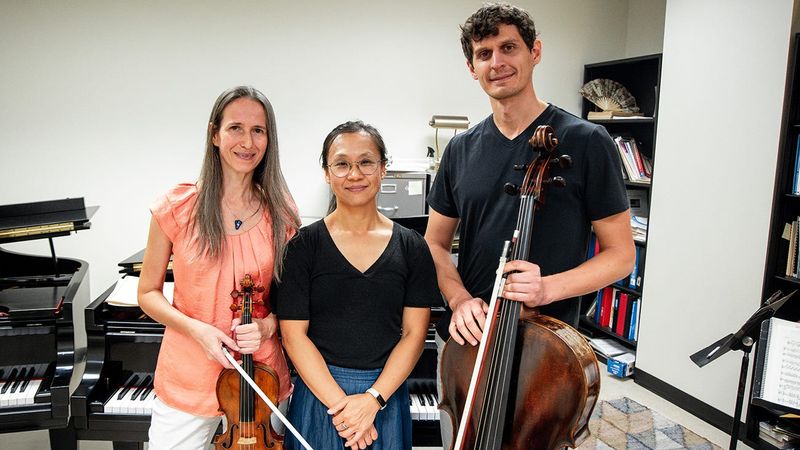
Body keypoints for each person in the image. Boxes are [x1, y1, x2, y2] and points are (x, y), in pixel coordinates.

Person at [424, 3, 636, 447]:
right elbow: (436, 245)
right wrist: (459, 298)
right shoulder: (460, 150)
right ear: (471, 67)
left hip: (547, 350)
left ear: (534, 52)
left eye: (508, 48)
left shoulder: (587, 141)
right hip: (468, 344)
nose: (497, 63)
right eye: (484, 54)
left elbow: (621, 256)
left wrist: (548, 289)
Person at [138, 85, 300, 449]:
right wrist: (197, 330)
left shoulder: (282, 212)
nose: (248, 141)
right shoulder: (178, 206)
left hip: (262, 379)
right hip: (188, 374)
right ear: (214, 134)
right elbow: (147, 293)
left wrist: (267, 325)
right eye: (235, 128)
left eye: (258, 130)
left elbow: (293, 299)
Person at [275, 121, 440, 450]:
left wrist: (371, 401)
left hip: (384, 397)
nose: (354, 174)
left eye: (366, 162)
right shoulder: (302, 246)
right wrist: (346, 410)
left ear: (383, 169)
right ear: (326, 172)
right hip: (320, 397)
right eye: (341, 164)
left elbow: (414, 335)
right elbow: (293, 336)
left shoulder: (412, 248)